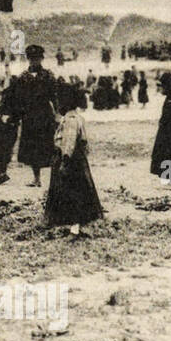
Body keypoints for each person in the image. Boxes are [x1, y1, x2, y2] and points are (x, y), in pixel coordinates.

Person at [44, 82, 103, 235]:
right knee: (76, 189)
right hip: (76, 158)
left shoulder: (70, 120)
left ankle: (72, 222)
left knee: (71, 191)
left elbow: (69, 142)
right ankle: (70, 220)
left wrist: (65, 160)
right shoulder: (74, 117)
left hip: (70, 159)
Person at [8, 45, 57, 186]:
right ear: (28, 59)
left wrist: (58, 113)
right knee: (32, 149)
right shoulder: (23, 77)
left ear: (41, 59)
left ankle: (53, 180)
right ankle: (37, 179)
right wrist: (16, 116)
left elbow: (54, 96)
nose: (34, 62)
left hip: (45, 116)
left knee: (48, 147)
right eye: (31, 59)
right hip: (29, 117)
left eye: (37, 59)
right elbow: (17, 99)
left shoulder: (48, 76)